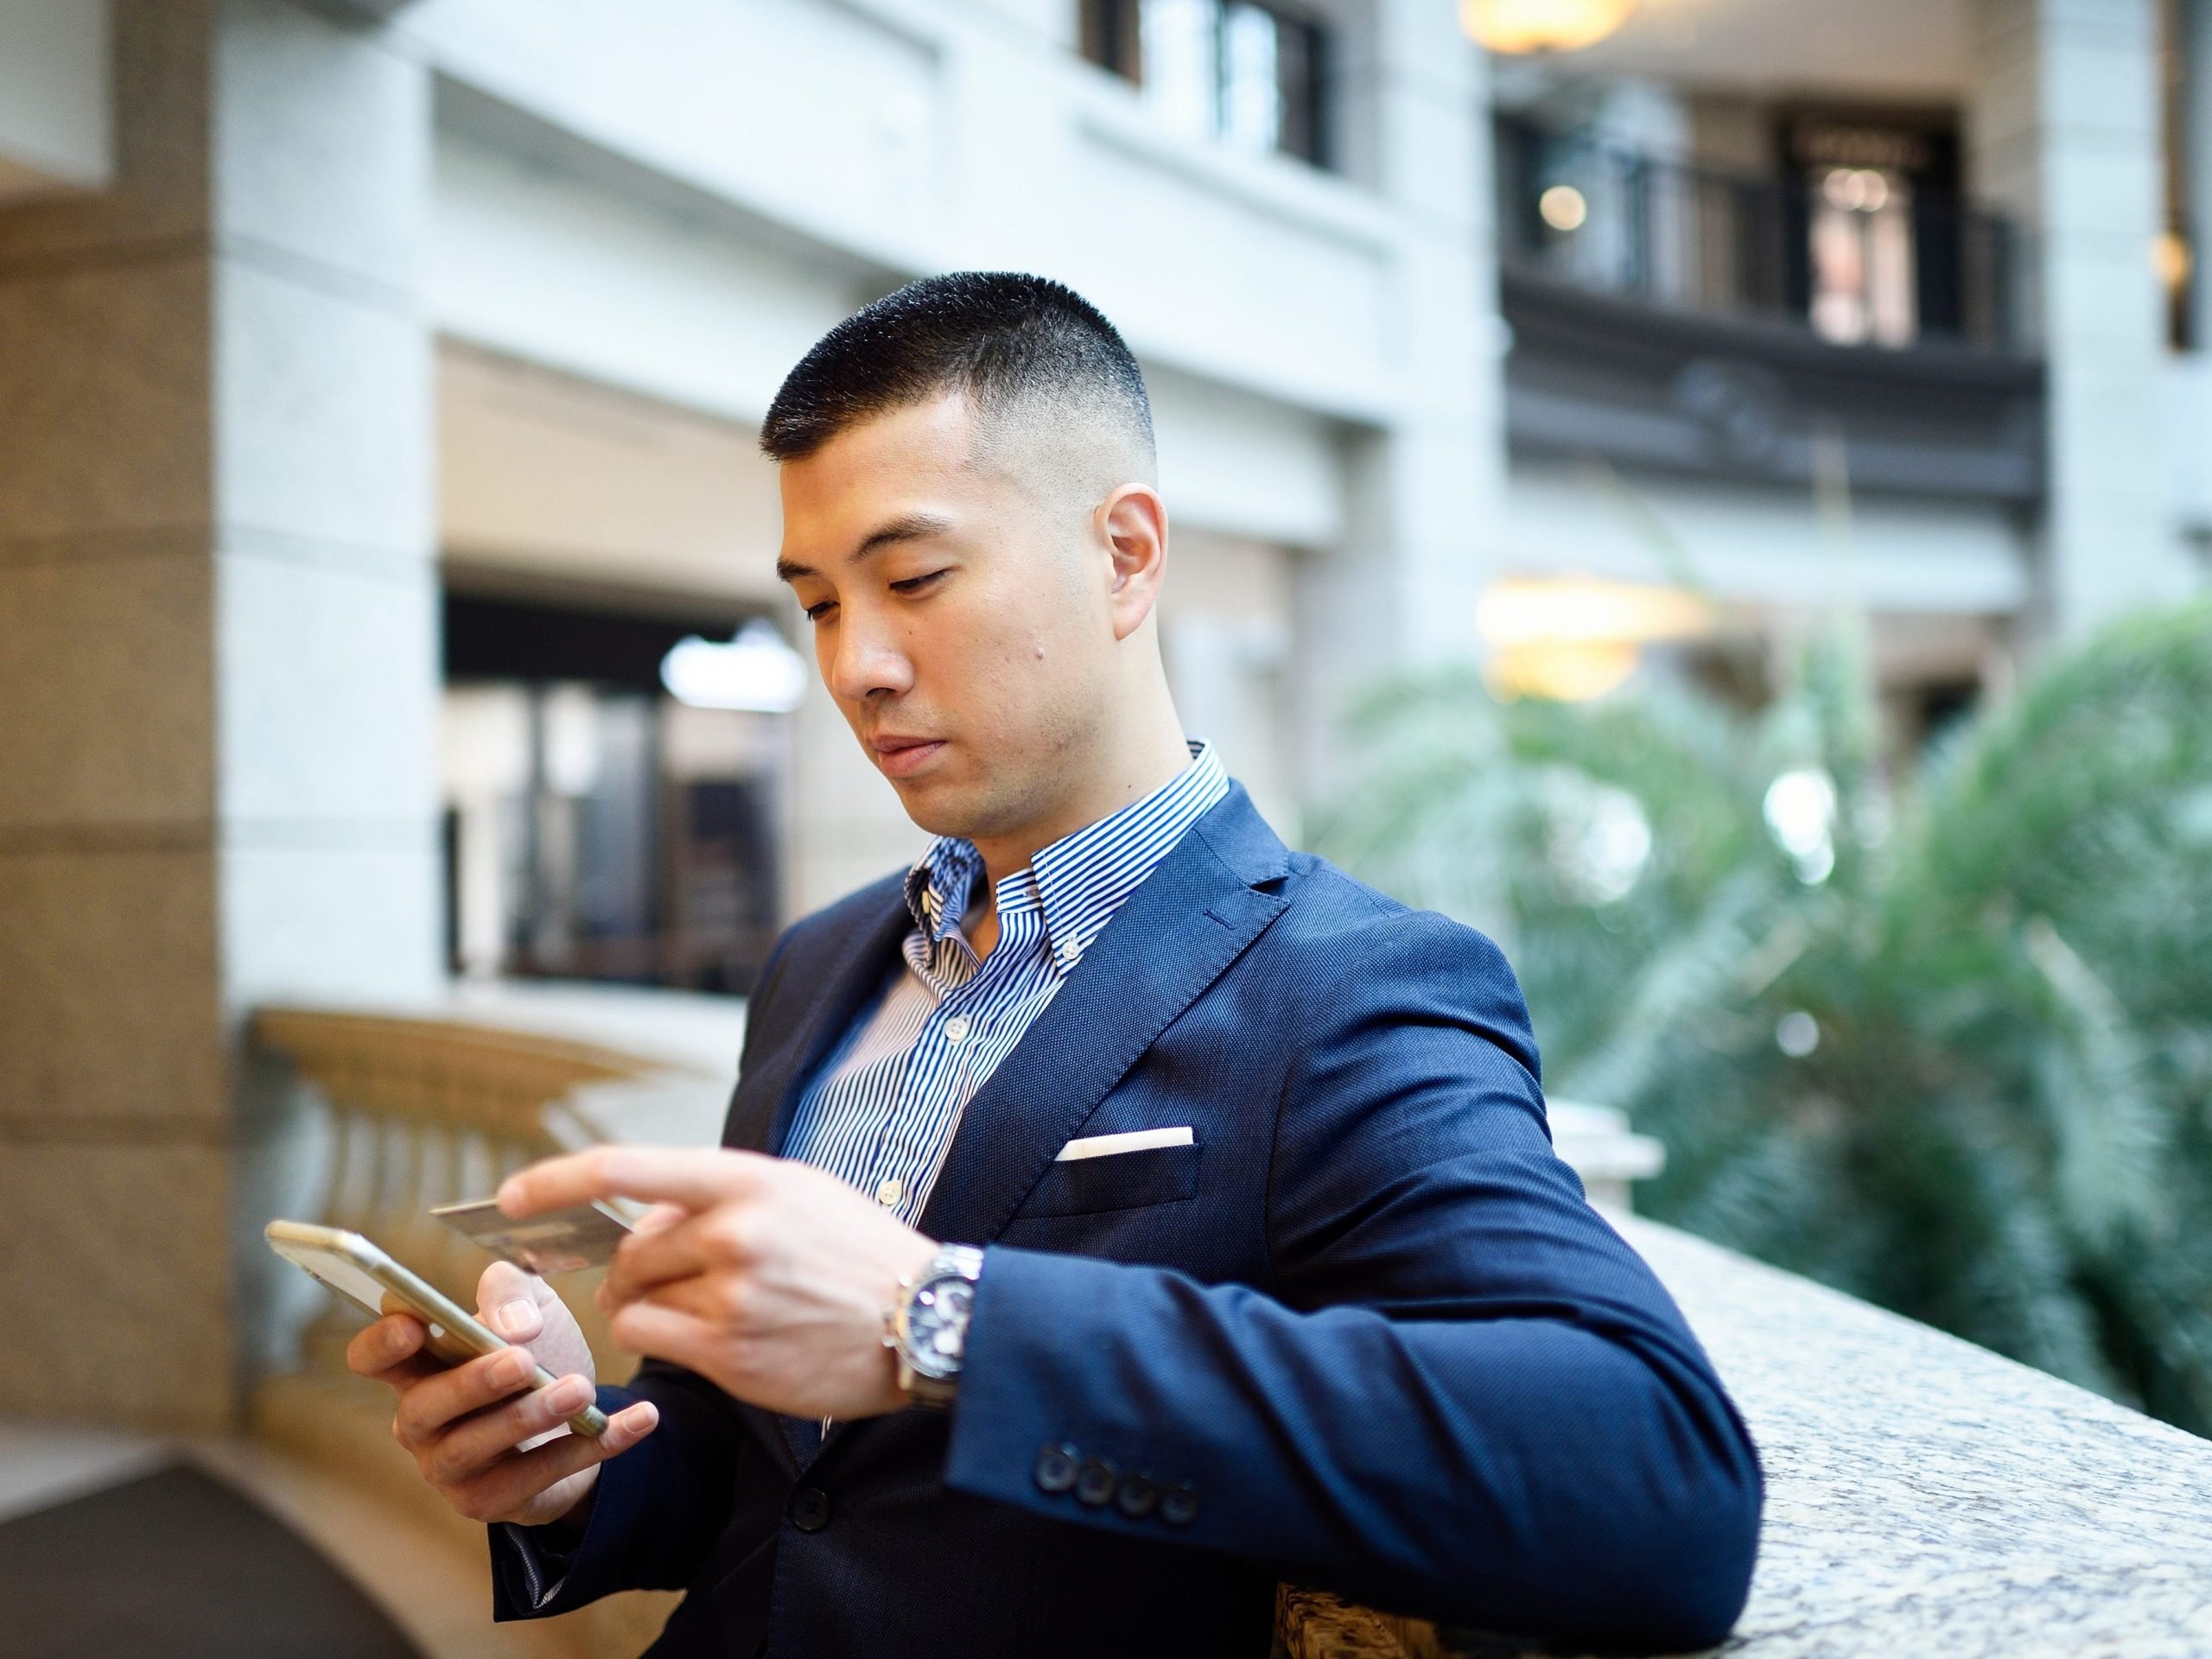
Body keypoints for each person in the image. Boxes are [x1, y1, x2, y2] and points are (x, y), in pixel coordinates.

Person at [348, 272, 1762, 1658]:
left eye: (912, 579)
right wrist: (581, 1468)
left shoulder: (1353, 988)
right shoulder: (820, 963)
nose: (857, 666)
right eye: (822, 604)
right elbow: (779, 1474)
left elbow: (1658, 1483)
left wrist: (936, 1319)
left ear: (1127, 557)